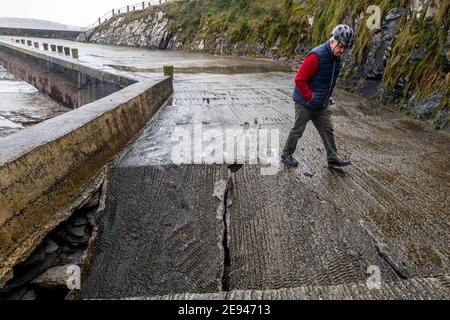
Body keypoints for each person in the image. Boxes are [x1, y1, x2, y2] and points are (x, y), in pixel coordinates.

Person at [281, 24, 354, 169]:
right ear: (333, 41)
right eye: (341, 47)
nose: (342, 51)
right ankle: (286, 155)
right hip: (305, 103)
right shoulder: (316, 55)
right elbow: (299, 79)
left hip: (322, 104)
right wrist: (310, 97)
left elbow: (328, 80)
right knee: (298, 130)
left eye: (345, 48)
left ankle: (333, 159)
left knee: (328, 131)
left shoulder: (336, 58)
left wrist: (328, 96)